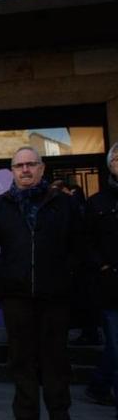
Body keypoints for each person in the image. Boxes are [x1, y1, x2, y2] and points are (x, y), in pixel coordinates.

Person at [0, 146, 82, 420]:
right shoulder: (0, 206)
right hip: (16, 297)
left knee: (56, 360)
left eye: (31, 164)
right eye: (19, 165)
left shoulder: (64, 203)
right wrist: (2, 272)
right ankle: (26, 414)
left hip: (55, 296)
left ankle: (60, 413)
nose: (25, 169)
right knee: (21, 360)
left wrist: (65, 273)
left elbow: (79, 244)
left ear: (42, 168)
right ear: (12, 171)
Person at [85, 142, 118, 415]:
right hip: (112, 288)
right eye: (116, 158)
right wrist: (103, 266)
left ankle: (98, 384)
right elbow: (86, 242)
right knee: (117, 346)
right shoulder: (97, 202)